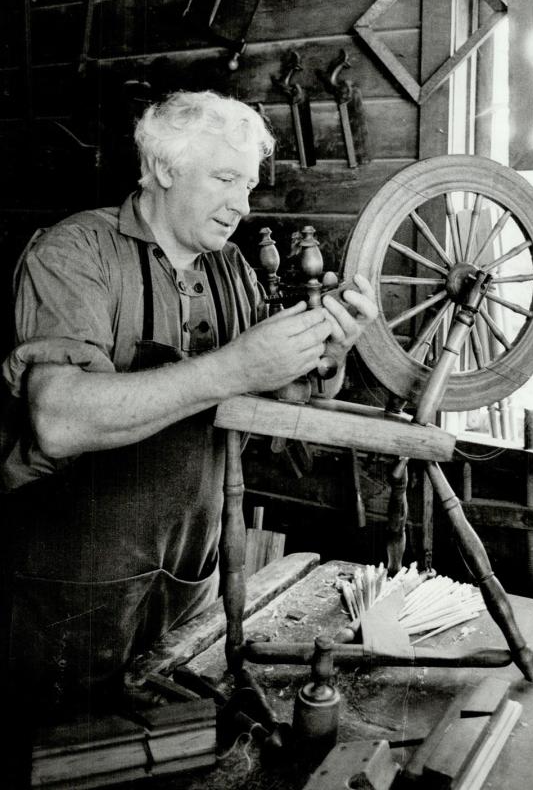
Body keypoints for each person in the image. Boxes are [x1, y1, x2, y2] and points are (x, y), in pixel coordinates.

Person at [0, 89, 377, 732]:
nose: (242, 205)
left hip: (191, 582)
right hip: (73, 596)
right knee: (67, 757)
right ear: (165, 169)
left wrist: (324, 354)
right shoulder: (74, 252)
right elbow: (59, 421)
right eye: (225, 179)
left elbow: (270, 401)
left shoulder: (232, 269)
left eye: (250, 185)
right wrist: (232, 366)